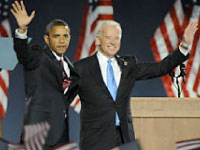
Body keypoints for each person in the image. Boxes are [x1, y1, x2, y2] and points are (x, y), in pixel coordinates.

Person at [73, 20, 198, 150]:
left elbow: (160, 68)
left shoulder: (129, 65)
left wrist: (184, 45)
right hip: (95, 140)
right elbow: (63, 98)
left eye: (117, 38)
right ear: (98, 40)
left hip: (125, 139)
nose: (113, 42)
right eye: (108, 37)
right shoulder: (81, 68)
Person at [10, 1, 78, 149]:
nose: (61, 40)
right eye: (56, 36)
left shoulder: (70, 67)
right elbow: (23, 54)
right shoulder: (38, 56)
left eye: (65, 36)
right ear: (47, 39)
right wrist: (22, 29)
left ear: (70, 38)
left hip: (61, 134)